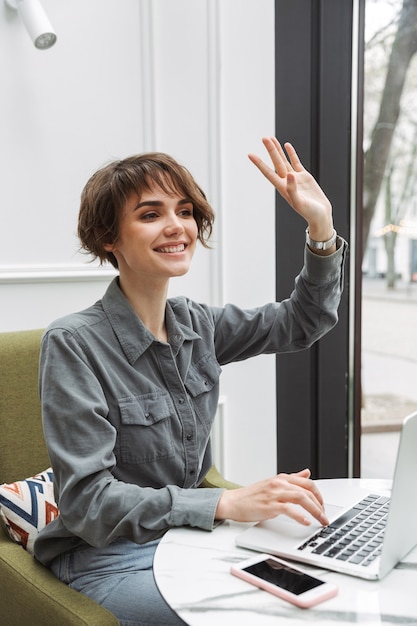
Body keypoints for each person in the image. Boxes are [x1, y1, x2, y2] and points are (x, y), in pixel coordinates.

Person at [34, 136, 347, 626]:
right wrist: (225, 501)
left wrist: (320, 226)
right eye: (150, 214)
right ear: (108, 238)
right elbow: (88, 502)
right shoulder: (72, 343)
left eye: (184, 210)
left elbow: (302, 321)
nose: (177, 226)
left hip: (189, 540)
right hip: (105, 555)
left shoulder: (197, 324)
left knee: (314, 601)